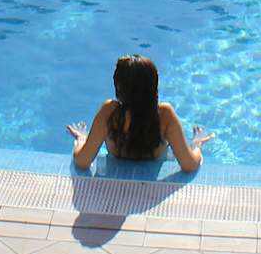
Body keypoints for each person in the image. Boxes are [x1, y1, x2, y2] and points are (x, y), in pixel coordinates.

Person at [67, 54, 213, 173]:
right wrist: (196, 144)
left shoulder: (109, 113)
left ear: (119, 86)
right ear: (154, 86)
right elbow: (189, 165)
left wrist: (82, 139)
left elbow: (82, 162)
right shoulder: (164, 115)